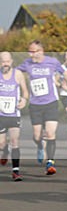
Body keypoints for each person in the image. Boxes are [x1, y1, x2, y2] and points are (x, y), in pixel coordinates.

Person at [18, 40, 67, 175]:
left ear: (41, 51)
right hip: (35, 105)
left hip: (51, 103)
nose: (30, 54)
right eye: (29, 51)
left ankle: (50, 162)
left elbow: (64, 73)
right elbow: (14, 74)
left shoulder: (52, 62)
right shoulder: (27, 64)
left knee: (50, 133)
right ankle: (39, 145)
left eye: (33, 51)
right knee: (37, 136)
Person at [0, 51, 29, 181]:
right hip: (0, 114)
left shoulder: (17, 74)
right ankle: (4, 150)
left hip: (13, 114)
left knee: (15, 141)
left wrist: (23, 99)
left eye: (7, 61)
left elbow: (25, 91)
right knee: (1, 143)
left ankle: (16, 171)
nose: (5, 64)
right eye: (2, 61)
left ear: (11, 61)